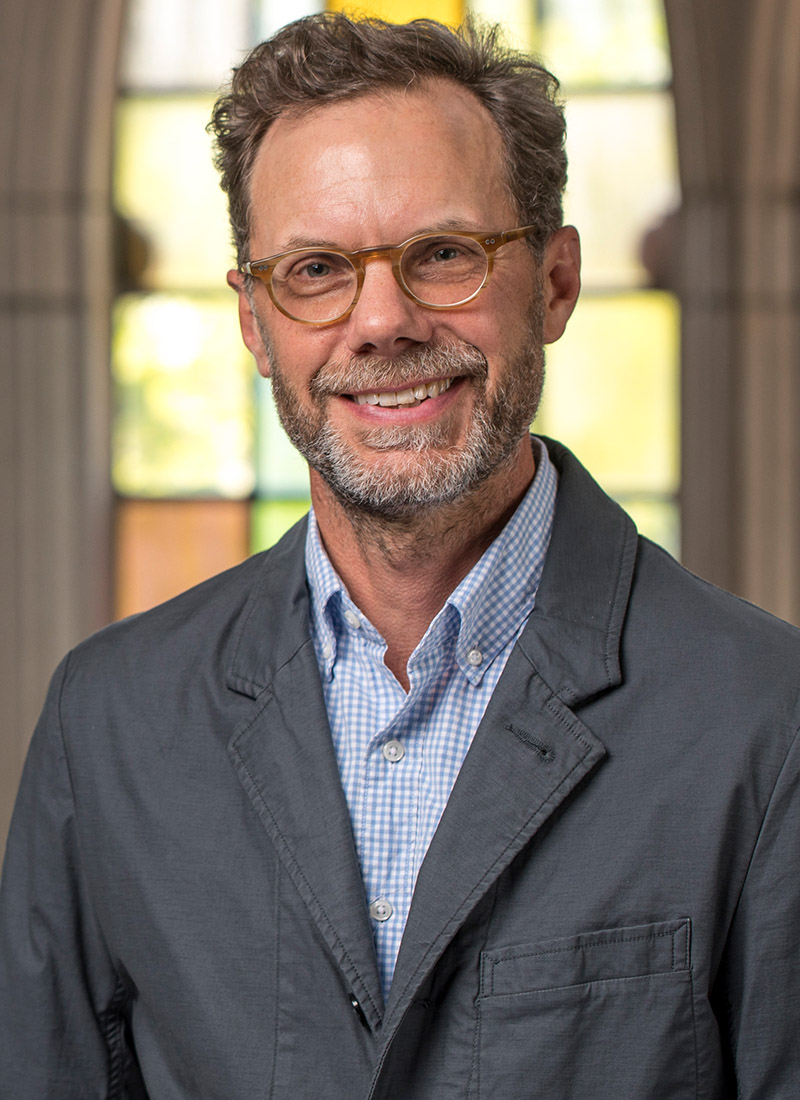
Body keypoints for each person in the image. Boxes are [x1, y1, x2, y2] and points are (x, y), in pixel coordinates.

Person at [2, 12, 800, 1099]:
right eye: (316, 269)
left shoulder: (766, 718)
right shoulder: (107, 723)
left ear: (555, 281)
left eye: (443, 254)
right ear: (254, 321)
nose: (381, 321)